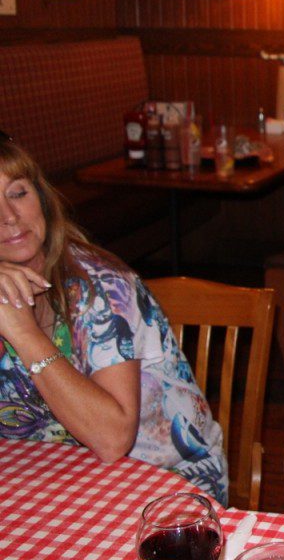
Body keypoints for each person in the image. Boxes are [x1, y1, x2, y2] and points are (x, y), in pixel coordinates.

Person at [0, 138, 227, 503]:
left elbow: (112, 439)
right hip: (50, 485)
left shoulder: (103, 286)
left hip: (166, 486)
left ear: (40, 198)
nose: (9, 216)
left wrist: (23, 333)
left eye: (18, 193)